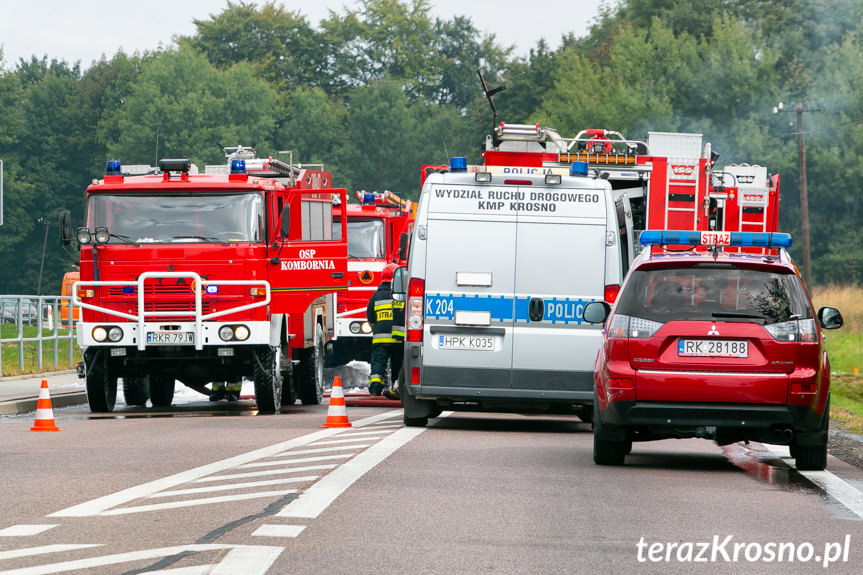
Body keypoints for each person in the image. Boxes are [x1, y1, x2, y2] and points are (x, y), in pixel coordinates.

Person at [366, 262, 403, 400]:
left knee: (378, 366)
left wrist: (375, 330)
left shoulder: (376, 296)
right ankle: (396, 387)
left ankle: (375, 390)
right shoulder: (401, 295)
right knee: (398, 364)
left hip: (380, 339)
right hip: (398, 338)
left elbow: (370, 316)